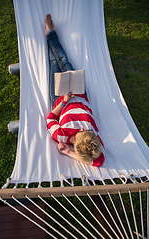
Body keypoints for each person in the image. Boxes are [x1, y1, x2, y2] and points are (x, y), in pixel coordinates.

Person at [45, 14, 105, 167]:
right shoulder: (93, 140)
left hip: (59, 99)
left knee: (54, 64)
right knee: (64, 62)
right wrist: (71, 152)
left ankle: (50, 35)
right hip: (79, 92)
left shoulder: (62, 136)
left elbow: (50, 118)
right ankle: (51, 34)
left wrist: (67, 152)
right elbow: (99, 162)